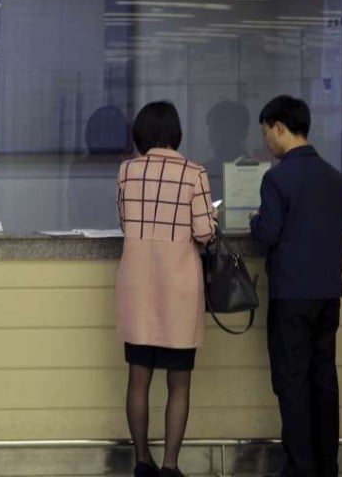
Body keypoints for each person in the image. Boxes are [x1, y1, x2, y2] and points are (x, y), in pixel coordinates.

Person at [249, 95, 342, 477]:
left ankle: (299, 468)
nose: (265, 143)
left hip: (292, 295)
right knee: (323, 381)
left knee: (292, 384)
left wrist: (257, 221)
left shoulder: (277, 178)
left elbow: (267, 234)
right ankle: (327, 466)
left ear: (279, 127)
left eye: (265, 133)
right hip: (328, 293)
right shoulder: (334, 177)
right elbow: (339, 227)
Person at [115, 101, 217, 477]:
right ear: (176, 133)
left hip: (138, 285)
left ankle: (142, 460)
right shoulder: (195, 173)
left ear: (140, 134)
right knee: (179, 382)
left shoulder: (127, 171)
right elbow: (205, 232)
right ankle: (171, 465)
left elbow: (126, 222)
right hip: (179, 287)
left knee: (138, 377)